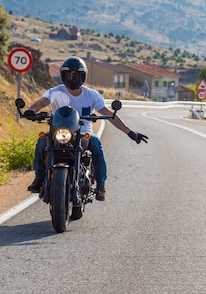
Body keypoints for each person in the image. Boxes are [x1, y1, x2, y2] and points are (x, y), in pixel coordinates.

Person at [25, 56, 148, 201]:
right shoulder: (55, 92)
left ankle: (101, 184)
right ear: (63, 76)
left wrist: (130, 132)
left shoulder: (91, 95)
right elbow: (41, 102)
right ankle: (39, 178)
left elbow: (109, 114)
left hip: (84, 134)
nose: (72, 78)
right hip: (58, 134)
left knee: (96, 143)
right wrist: (31, 110)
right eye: (68, 75)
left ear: (83, 76)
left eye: (76, 75)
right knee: (41, 141)